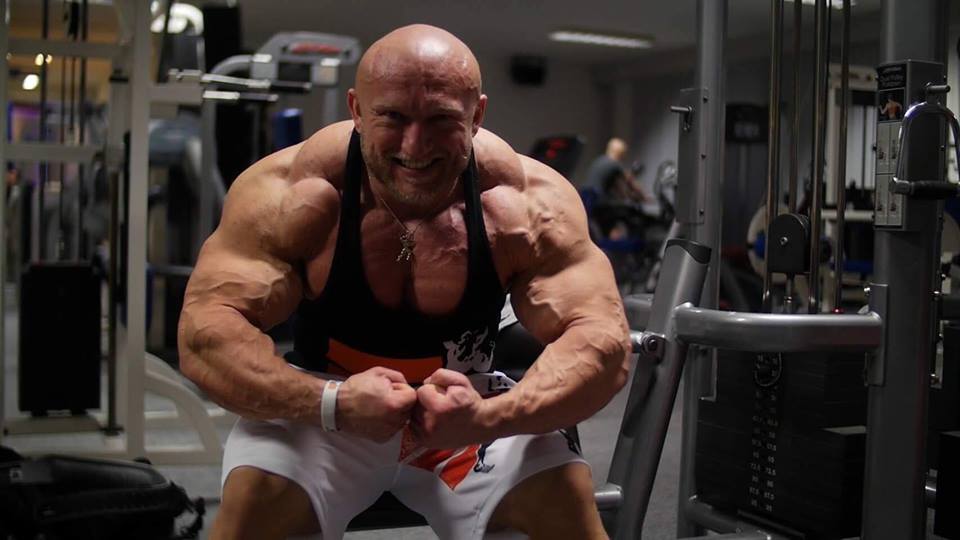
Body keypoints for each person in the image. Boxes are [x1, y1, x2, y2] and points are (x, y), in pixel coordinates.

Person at [178, 24, 631, 540]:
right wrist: (332, 403)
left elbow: (602, 343)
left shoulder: (524, 201)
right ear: (356, 110)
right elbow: (206, 334)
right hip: (326, 405)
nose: (416, 147)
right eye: (392, 117)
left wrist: (492, 417)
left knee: (565, 506)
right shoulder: (292, 191)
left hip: (466, 412)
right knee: (253, 510)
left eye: (441, 119)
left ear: (477, 116)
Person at [584, 138, 649, 240]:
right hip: (597, 199)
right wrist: (644, 197)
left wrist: (625, 195)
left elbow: (617, 187)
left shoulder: (600, 160)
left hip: (588, 197)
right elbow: (630, 183)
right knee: (622, 217)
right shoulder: (614, 164)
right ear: (620, 152)